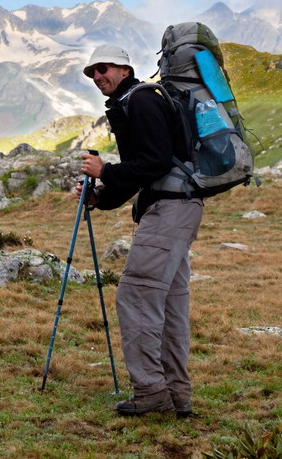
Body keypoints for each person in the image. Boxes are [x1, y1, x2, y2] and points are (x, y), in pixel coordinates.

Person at [77, 44, 204, 418]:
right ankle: (176, 394)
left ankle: (151, 392)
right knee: (168, 304)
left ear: (124, 68)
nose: (98, 76)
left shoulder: (143, 100)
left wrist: (104, 173)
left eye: (103, 68)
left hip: (170, 210)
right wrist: (102, 197)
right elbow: (144, 166)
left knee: (136, 296)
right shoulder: (133, 100)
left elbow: (153, 161)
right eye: (92, 73)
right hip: (175, 207)